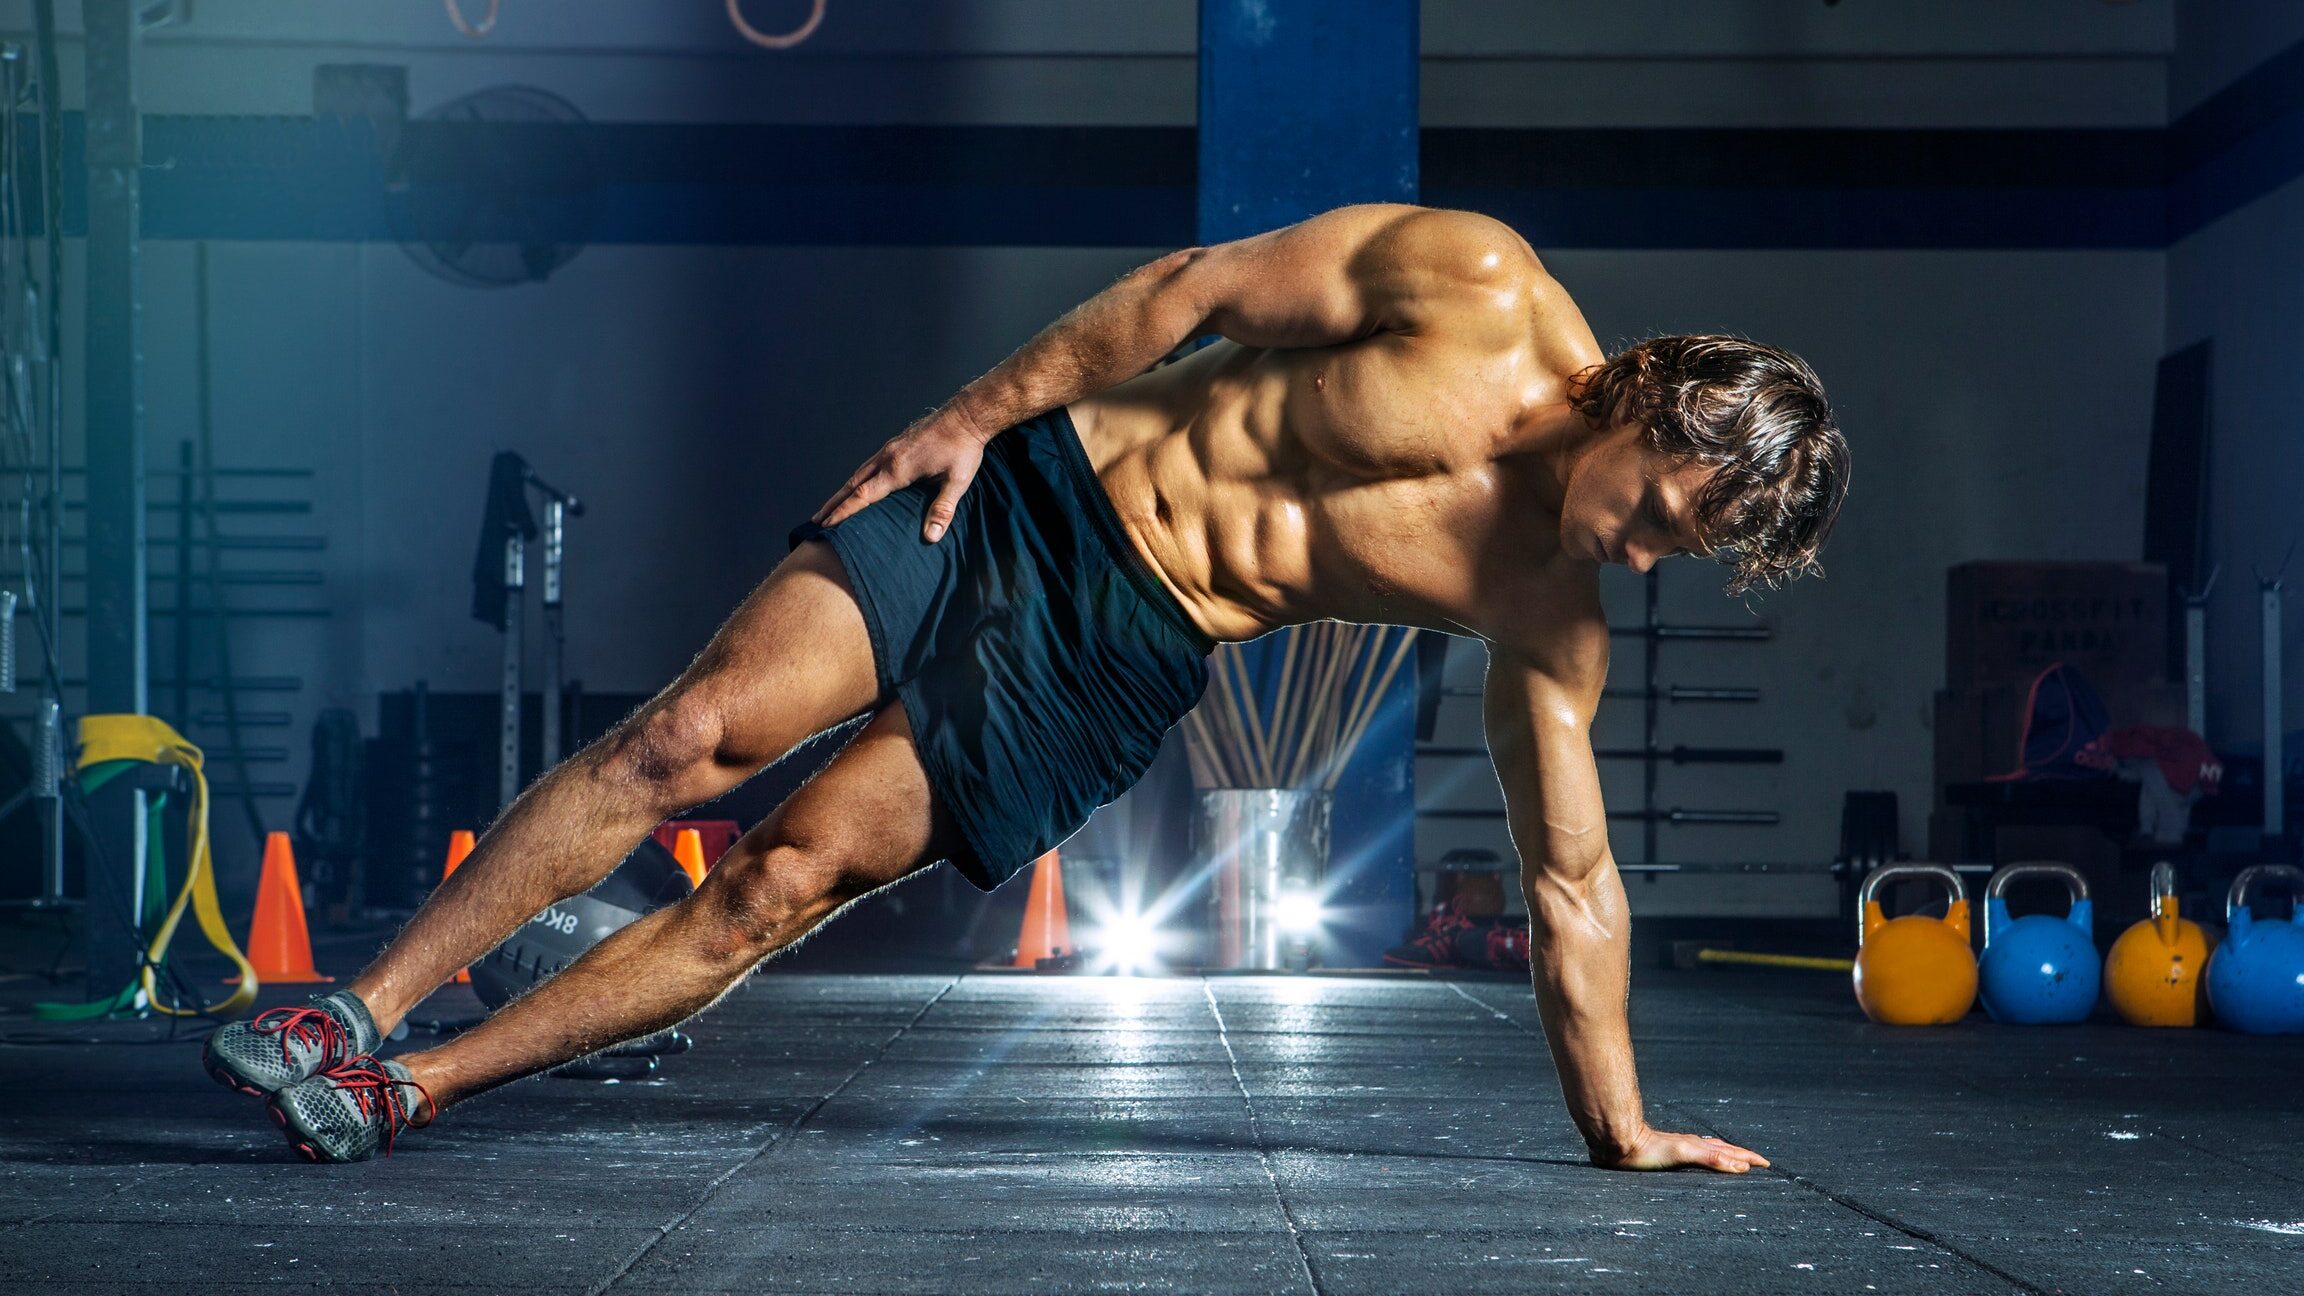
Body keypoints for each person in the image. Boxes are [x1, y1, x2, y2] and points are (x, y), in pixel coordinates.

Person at [204, 203, 1845, 1170]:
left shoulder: (1551, 614)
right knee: (690, 739)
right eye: (1664, 513)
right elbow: (1192, 290)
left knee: (774, 886)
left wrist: (1620, 1124)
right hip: (1035, 495)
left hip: (1120, 655)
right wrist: (974, 415)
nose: (1643, 555)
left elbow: (1574, 884)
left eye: (1681, 554)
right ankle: (361, 1004)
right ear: (1660, 410)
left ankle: (402, 1088)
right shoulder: (1473, 286)